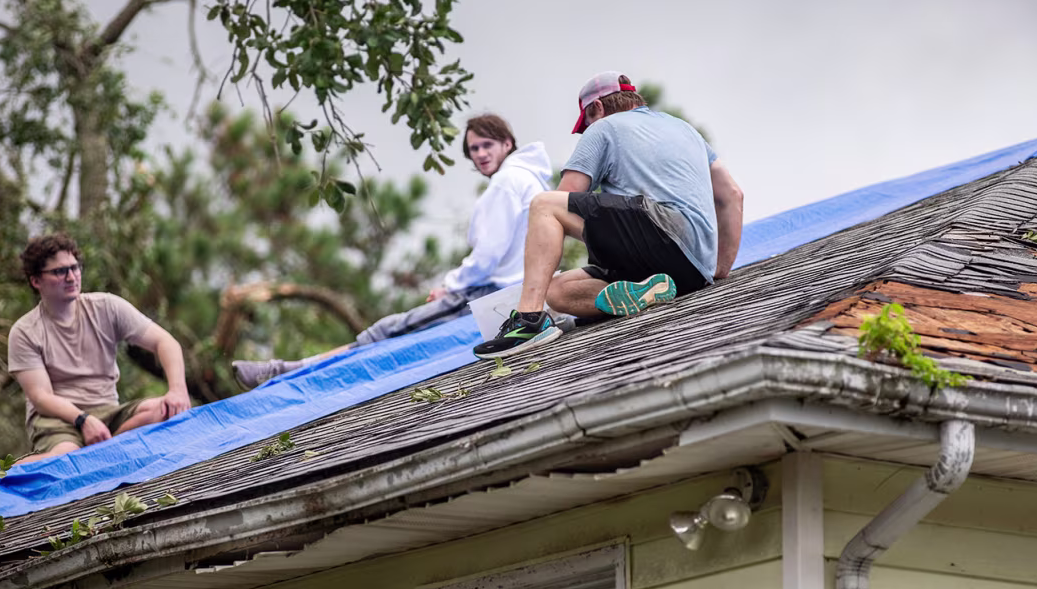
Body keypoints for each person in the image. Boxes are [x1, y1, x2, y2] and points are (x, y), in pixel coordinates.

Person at [232, 114, 553, 389]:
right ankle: (290, 368)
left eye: (487, 145)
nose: (481, 154)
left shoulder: (505, 183)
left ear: (507, 143)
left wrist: (450, 286)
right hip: (522, 288)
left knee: (389, 332)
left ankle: (287, 371)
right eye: (474, 149)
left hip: (490, 291)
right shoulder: (529, 179)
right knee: (393, 332)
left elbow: (488, 255)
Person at [472, 71, 743, 359]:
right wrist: (718, 270)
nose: (587, 128)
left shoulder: (604, 127)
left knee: (544, 205)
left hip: (659, 235)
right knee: (556, 292)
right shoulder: (684, 128)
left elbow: (564, 198)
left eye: (586, 121)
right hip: (690, 272)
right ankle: (642, 294)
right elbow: (732, 195)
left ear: (597, 108)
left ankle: (528, 321)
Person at [7, 233, 191, 463]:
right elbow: (41, 397)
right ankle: (1, 476)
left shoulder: (107, 307)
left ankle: (103, 453)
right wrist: (83, 420)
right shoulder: (24, 331)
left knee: (165, 411)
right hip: (58, 421)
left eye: (75, 267)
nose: (71, 276)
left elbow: (166, 343)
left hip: (108, 412)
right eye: (59, 271)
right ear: (36, 281)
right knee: (65, 459)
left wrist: (177, 391)